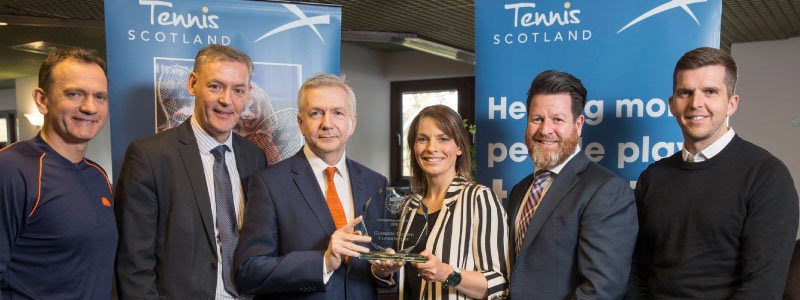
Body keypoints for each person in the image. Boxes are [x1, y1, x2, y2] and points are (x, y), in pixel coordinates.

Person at [627, 47, 799, 299]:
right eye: (685, 92)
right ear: (672, 105)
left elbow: (762, 288)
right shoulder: (652, 178)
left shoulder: (767, 176)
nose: (696, 103)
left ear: (732, 103)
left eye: (710, 92)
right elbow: (635, 271)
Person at [114, 44, 267, 299]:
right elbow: (134, 261)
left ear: (248, 93)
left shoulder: (254, 157)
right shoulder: (150, 156)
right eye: (215, 86)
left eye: (237, 90)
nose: (226, 100)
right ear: (193, 84)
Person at [234, 74, 387, 299]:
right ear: (300, 123)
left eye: (338, 113)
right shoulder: (268, 184)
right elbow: (248, 271)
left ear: (352, 123)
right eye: (316, 113)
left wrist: (384, 270)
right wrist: (323, 261)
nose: (327, 124)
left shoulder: (376, 183)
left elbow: (377, 264)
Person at [506, 70, 638, 299]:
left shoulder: (606, 190)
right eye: (537, 119)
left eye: (557, 119)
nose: (545, 130)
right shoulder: (520, 190)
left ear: (578, 124)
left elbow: (602, 290)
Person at [0, 48, 116, 299]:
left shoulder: (97, 176)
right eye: (74, 94)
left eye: (100, 97)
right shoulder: (12, 169)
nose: (89, 107)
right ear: (42, 100)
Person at [370, 105, 510, 300]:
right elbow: (403, 280)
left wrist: (447, 273)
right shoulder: (408, 206)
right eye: (422, 139)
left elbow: (499, 285)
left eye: (443, 138)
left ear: (459, 147)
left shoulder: (479, 198)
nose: (431, 148)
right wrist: (384, 270)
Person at [236, 82, 281, 164]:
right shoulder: (228, 135)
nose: (246, 114)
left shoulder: (264, 142)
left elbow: (275, 168)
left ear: (263, 112)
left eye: (253, 109)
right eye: (242, 109)